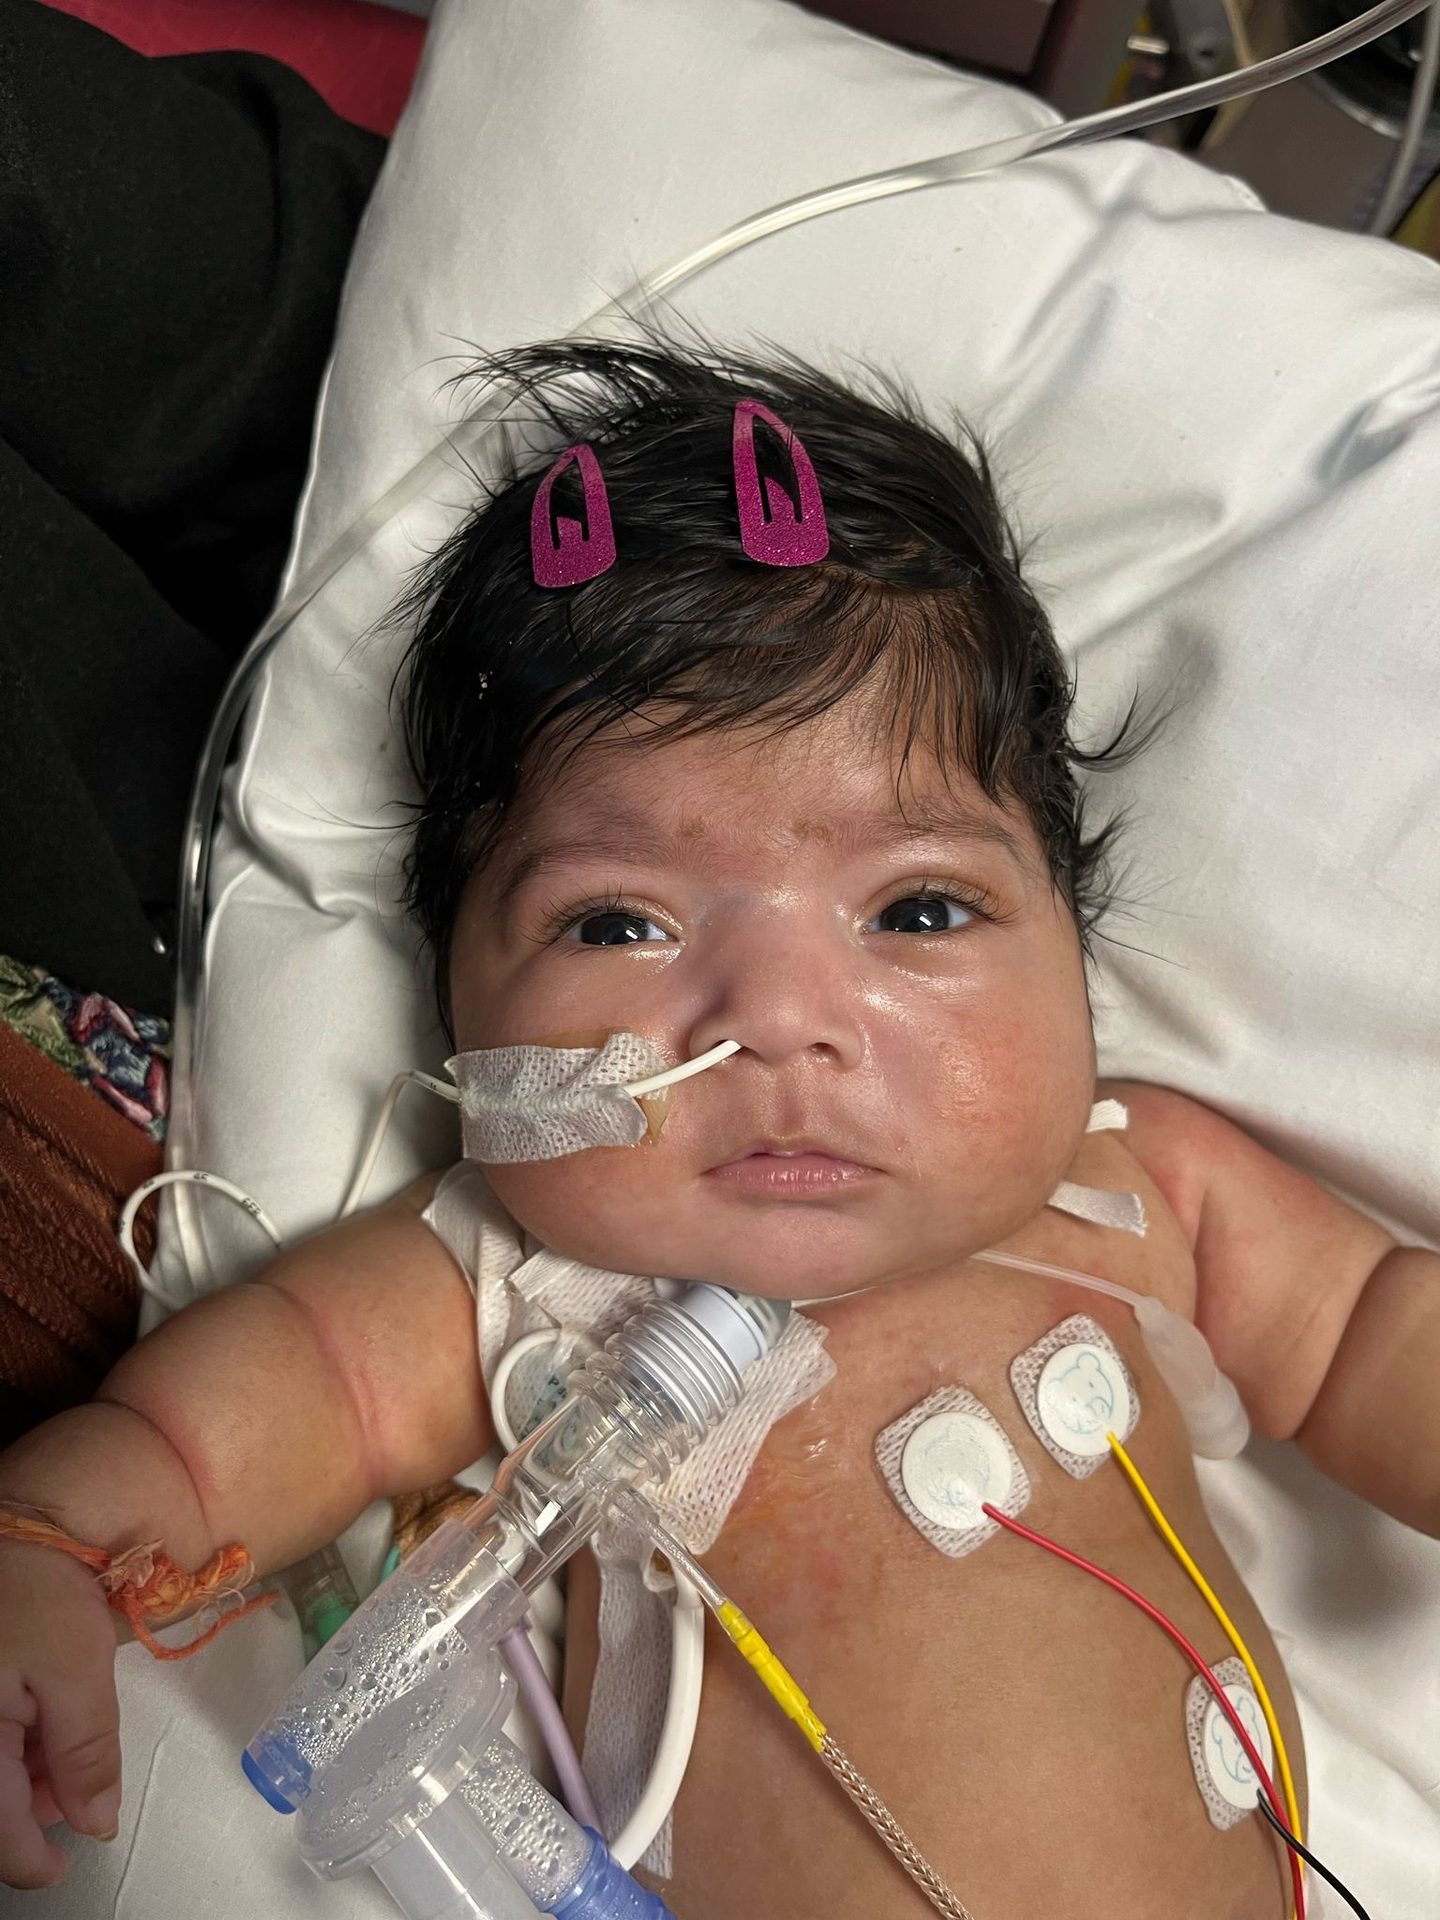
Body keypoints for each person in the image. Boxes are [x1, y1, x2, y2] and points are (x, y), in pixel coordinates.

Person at [1, 342, 1435, 1918]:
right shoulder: (520, 1288)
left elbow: (1372, 1327)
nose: (777, 1023)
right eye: (619, 924)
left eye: (920, 907)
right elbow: (219, 1430)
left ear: (1073, 947)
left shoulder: (1128, 1193)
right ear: (461, 1014)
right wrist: (57, 1545)